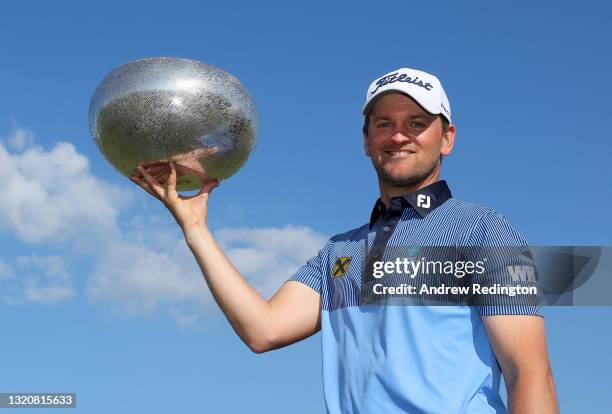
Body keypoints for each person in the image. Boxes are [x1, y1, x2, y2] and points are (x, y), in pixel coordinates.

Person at [130, 67, 559, 413]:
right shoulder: (340, 252)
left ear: (446, 138)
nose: (398, 135)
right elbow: (263, 330)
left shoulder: (484, 231)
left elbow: (530, 374)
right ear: (367, 141)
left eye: (417, 123)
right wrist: (196, 229)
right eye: (384, 124)